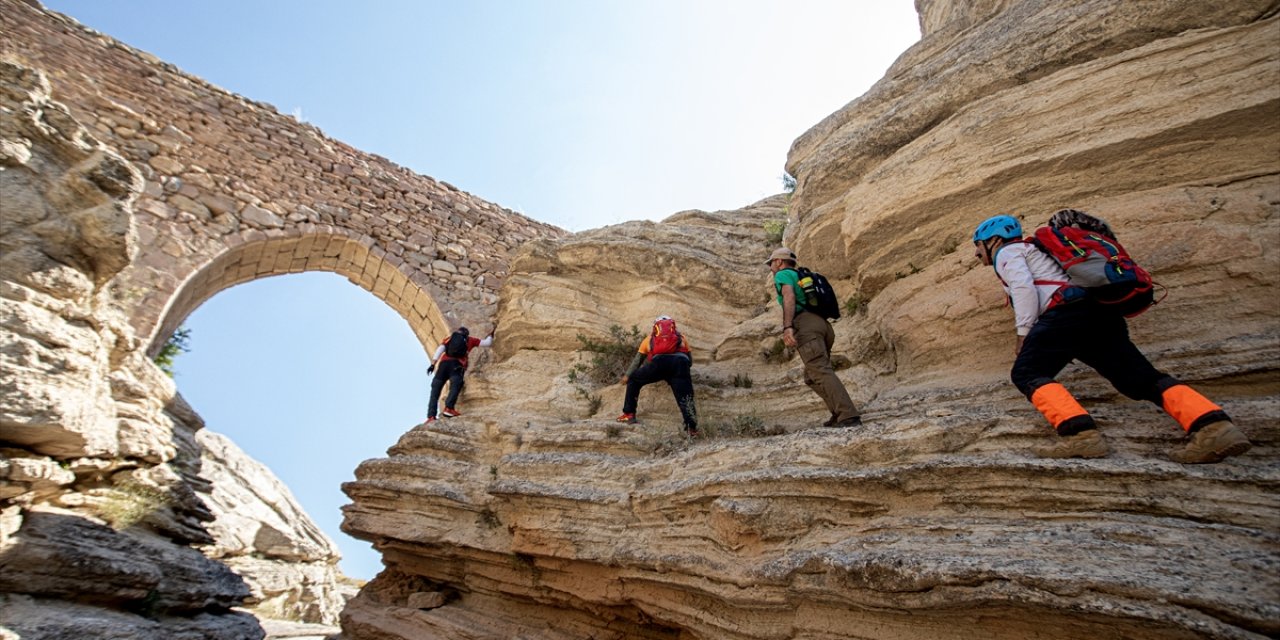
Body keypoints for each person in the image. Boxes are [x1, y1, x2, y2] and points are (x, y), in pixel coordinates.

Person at [972, 211, 1251, 462]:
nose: (977, 254)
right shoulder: (1038, 251)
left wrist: (1024, 334)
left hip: (1065, 314)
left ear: (994, 240)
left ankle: (1080, 436)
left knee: (1027, 372)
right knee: (1139, 378)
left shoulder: (1009, 252)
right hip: (1099, 314)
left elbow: (1023, 288)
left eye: (978, 245)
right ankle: (1214, 426)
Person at [765, 248, 861, 428]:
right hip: (824, 326)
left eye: (771, 263)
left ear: (779, 261)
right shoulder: (803, 275)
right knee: (811, 376)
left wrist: (787, 327)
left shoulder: (783, 275)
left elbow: (789, 297)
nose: (770, 267)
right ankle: (838, 412)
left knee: (821, 370)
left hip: (806, 325)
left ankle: (848, 415)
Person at [615, 315, 700, 438]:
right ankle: (691, 428)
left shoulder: (649, 339)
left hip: (659, 363)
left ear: (656, 327)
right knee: (685, 397)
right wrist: (675, 376)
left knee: (634, 379)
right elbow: (690, 361)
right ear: (672, 326)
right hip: (680, 364)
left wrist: (627, 376)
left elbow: (637, 360)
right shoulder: (682, 338)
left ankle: (629, 414)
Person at [424, 326, 494, 424]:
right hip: (456, 365)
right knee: (456, 385)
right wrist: (491, 335)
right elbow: (487, 343)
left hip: (443, 366)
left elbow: (440, 349)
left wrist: (432, 364)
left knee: (435, 391)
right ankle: (448, 408)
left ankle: (431, 416)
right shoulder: (470, 340)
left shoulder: (449, 339)